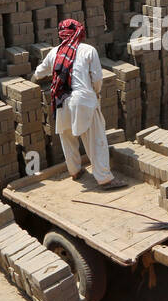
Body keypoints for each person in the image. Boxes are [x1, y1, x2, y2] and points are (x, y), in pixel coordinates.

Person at [32, 20, 125, 188]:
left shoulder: (55, 52)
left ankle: (74, 171)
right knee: (95, 140)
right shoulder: (88, 50)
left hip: (61, 101)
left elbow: (39, 73)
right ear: (79, 33)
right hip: (83, 100)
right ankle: (104, 178)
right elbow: (97, 78)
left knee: (67, 138)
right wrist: (95, 93)